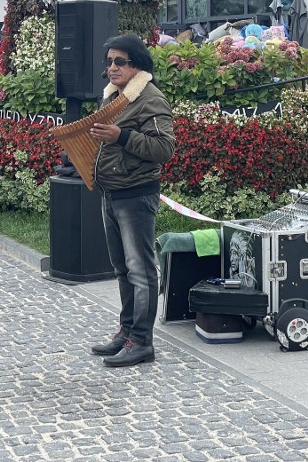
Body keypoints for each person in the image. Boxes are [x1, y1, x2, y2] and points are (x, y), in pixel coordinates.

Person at [88, 34, 175, 367]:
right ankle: (126, 333)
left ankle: (142, 341)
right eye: (109, 61)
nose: (111, 67)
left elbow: (164, 149)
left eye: (119, 61)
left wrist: (121, 136)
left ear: (136, 64)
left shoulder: (150, 99)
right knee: (122, 269)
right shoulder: (116, 97)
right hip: (112, 193)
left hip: (136, 195)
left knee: (141, 271)